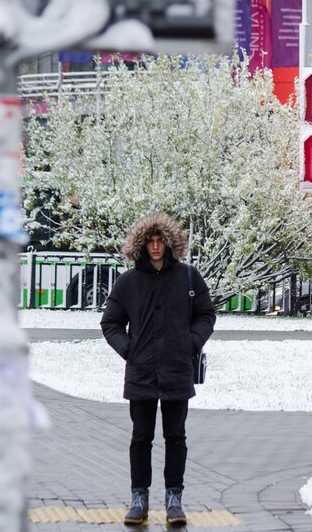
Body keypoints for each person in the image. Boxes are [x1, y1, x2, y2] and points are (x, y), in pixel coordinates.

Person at [101, 212, 216, 526]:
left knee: (176, 437)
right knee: (141, 437)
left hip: (177, 370)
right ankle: (139, 498)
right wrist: (130, 350)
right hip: (141, 372)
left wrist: (191, 342)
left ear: (169, 243)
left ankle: (174, 500)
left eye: (160, 240)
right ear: (141, 244)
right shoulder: (127, 282)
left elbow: (207, 314)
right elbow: (110, 323)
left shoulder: (189, 277)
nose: (155, 246)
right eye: (150, 240)